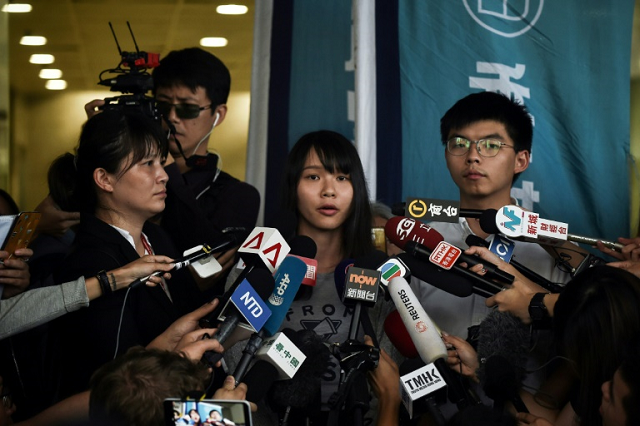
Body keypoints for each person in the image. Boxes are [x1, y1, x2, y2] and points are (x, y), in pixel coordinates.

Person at [47, 109, 205, 402]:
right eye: (147, 164)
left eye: (161, 162)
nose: (162, 176)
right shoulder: (90, 262)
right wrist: (177, 348)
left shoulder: (158, 238)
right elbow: (112, 384)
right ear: (104, 179)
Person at [442, 265, 640, 426]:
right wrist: (480, 369)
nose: (605, 389)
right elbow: (556, 421)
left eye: (612, 396)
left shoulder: (618, 381)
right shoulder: (616, 372)